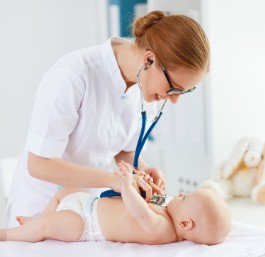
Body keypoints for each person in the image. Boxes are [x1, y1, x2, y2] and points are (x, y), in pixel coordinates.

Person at [6, 10, 210, 227]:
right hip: (39, 210)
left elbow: (122, 149)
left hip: (86, 213)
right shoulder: (73, 75)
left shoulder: (146, 87)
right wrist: (113, 180)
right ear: (149, 59)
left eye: (182, 92)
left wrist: (142, 169)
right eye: (173, 89)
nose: (174, 100)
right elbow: (39, 165)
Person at [0, 161, 232, 245]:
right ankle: (35, 221)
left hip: (86, 224)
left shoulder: (164, 229)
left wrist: (128, 186)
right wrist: (146, 181)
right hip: (88, 203)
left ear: (186, 224)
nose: (180, 194)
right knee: (62, 194)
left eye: (186, 197)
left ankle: (9, 234)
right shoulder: (169, 210)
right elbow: (148, 200)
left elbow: (140, 212)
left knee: (49, 224)